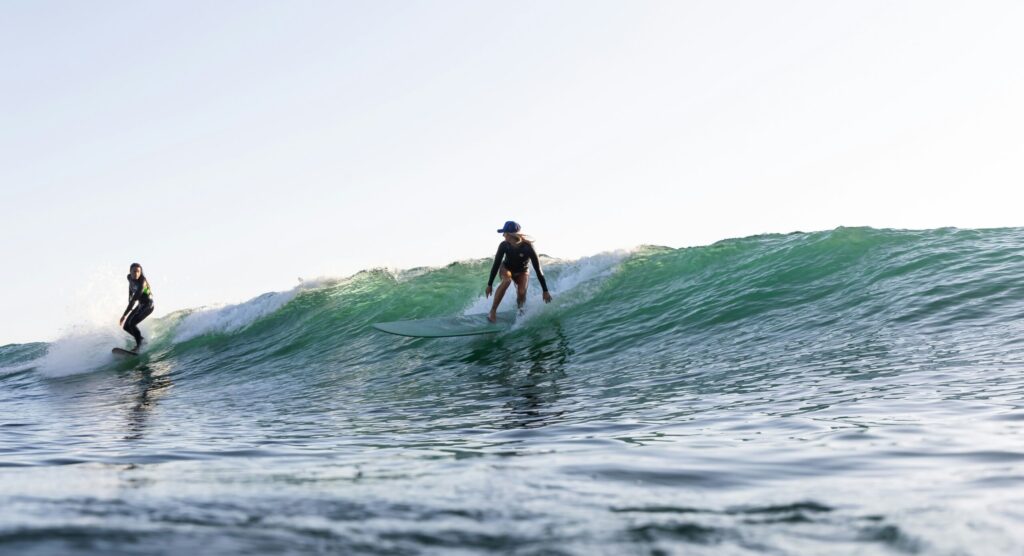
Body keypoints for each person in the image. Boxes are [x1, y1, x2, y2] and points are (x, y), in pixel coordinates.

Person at [486, 221, 552, 322]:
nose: (503, 236)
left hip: (522, 271)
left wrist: (545, 291)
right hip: (506, 268)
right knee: (507, 281)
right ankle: (493, 311)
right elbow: (496, 264)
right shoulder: (504, 245)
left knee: (521, 292)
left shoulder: (528, 248)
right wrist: (489, 284)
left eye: (505, 233)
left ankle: (520, 311)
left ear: (511, 235)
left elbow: (538, 269)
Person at [120, 263, 154, 352]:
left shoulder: (142, 282)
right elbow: (130, 286)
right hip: (140, 305)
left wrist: (124, 315)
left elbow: (133, 301)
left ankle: (139, 345)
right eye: (134, 271)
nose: (136, 273)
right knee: (126, 326)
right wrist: (129, 296)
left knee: (132, 324)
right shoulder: (129, 277)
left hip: (148, 305)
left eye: (138, 272)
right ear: (130, 272)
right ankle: (142, 340)